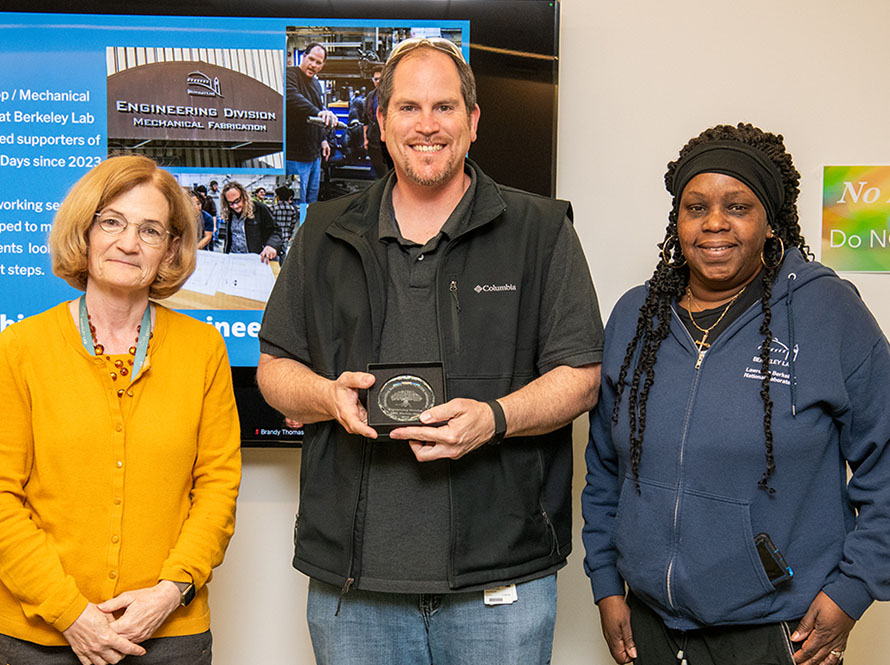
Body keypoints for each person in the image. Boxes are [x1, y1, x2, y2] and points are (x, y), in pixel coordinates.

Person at [257, 37, 603, 665]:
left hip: (501, 585)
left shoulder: (543, 231)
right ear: (381, 124)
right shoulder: (321, 233)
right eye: (408, 108)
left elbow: (580, 375)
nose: (426, 125)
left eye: (445, 108)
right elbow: (276, 371)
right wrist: (325, 396)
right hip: (352, 589)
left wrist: (493, 420)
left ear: (473, 123)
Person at [582, 123, 890, 665]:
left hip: (776, 632)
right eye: (696, 207)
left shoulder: (827, 313)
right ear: (677, 221)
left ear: (771, 222)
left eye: (738, 206)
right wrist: (607, 583)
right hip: (651, 626)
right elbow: (606, 468)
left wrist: (853, 589)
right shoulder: (635, 317)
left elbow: (886, 464)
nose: (715, 223)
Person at [0, 155, 241, 664]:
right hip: (38, 636)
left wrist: (169, 594)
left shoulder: (203, 349)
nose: (129, 243)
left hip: (169, 634)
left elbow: (217, 487)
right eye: (112, 222)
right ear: (84, 231)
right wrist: (70, 613)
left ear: (172, 248)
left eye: (150, 230)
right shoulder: (20, 348)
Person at [285, 42, 337, 203]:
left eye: (318, 62)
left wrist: (323, 139)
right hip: (296, 157)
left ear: (323, 65)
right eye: (311, 59)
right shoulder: (290, 74)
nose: (313, 65)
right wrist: (319, 112)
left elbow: (319, 107)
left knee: (310, 203)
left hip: (314, 156)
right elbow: (291, 96)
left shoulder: (315, 83)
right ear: (304, 56)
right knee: (296, 203)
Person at [219, 181, 280, 263]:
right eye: (231, 203)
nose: (235, 206)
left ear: (244, 196)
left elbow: (275, 231)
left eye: (237, 201)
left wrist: (271, 245)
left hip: (255, 260)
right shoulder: (229, 213)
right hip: (233, 259)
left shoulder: (259, 209)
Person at [362, 64, 392, 178]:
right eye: (376, 79)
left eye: (381, 79)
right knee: (378, 172)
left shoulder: (392, 96)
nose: (378, 81)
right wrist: (365, 139)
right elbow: (365, 120)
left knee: (389, 172)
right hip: (373, 142)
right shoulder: (370, 96)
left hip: (388, 142)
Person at [270, 185, 298, 253]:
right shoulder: (292, 209)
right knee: (283, 256)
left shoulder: (273, 208)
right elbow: (293, 225)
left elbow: (270, 224)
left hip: (274, 238)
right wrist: (289, 235)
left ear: (278, 197)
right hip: (285, 237)